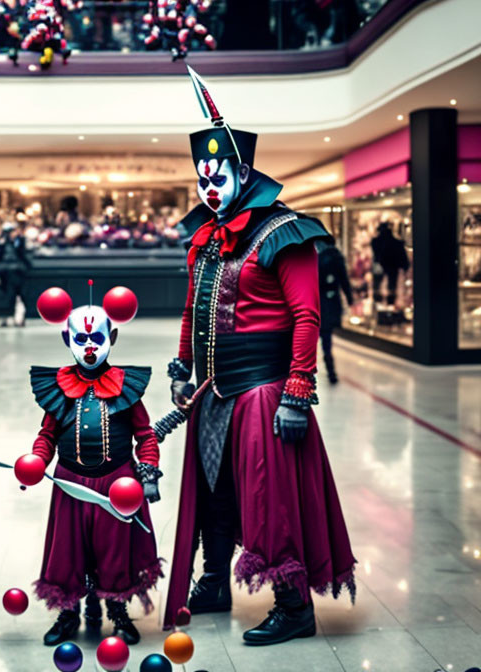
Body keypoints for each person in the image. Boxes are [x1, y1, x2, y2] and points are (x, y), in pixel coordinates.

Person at [163, 68, 356, 645]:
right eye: (202, 177)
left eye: (218, 175)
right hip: (214, 391)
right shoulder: (206, 234)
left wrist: (298, 391)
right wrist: (181, 368)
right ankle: (215, 582)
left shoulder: (285, 231)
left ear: (243, 172)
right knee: (216, 493)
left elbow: (307, 316)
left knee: (271, 502)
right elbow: (192, 309)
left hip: (266, 390)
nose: (209, 187)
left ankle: (294, 607)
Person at [28, 286, 163, 647]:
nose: (90, 346)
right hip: (71, 484)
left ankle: (117, 610)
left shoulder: (125, 387)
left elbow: (145, 436)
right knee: (69, 551)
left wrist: (148, 472)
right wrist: (36, 460)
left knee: (115, 552)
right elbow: (47, 434)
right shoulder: (58, 387)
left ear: (113, 337)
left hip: (118, 484)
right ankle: (69, 612)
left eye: (97, 337)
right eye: (81, 338)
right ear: (66, 338)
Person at [316, 239, 353, 384]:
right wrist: (349, 298)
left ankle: (315, 368)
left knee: (316, 335)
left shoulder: (317, 258)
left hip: (318, 303)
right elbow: (344, 279)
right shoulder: (337, 257)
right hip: (331, 302)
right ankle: (330, 368)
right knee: (326, 337)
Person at [0, 222, 31, 327]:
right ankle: (9, 318)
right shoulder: (3, 244)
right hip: (8, 273)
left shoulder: (18, 242)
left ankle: (17, 318)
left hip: (15, 272)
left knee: (18, 296)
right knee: (9, 296)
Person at [371, 221, 409, 306]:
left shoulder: (376, 241)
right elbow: (401, 254)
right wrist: (405, 265)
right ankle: (389, 303)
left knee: (378, 286)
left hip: (381, 265)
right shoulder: (395, 242)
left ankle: (380, 302)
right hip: (391, 266)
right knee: (391, 285)